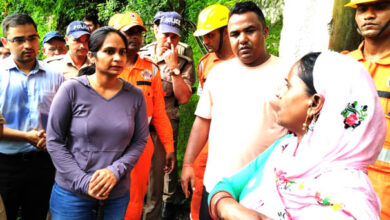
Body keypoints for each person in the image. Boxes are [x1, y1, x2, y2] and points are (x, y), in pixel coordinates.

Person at [208, 51, 386, 220]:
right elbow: (225, 185)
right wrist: (230, 209)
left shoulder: (349, 195)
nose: (279, 93)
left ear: (315, 103)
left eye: (288, 85)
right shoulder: (285, 149)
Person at [180, 2, 287, 219]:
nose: (242, 39)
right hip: (217, 188)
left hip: (264, 190)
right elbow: (202, 122)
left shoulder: (289, 74)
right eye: (235, 34)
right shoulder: (218, 74)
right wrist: (188, 163)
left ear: (265, 31)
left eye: (250, 30)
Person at [46, 26, 149, 219]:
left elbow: (140, 140)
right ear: (92, 56)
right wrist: (84, 182)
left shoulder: (135, 96)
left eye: (122, 52)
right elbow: (54, 141)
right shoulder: (72, 90)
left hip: (116, 196)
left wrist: (115, 171)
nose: (118, 58)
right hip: (72, 196)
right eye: (109, 51)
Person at [108, 11, 175, 220]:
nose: (135, 37)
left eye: (138, 32)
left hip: (140, 146)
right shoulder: (104, 68)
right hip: (107, 146)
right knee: (106, 198)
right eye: (129, 32)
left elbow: (160, 114)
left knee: (135, 200)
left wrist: (169, 147)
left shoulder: (151, 70)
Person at [0, 13, 63, 220]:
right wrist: (27, 137)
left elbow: (61, 118)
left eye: (32, 38)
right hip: (5, 164)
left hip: (43, 163)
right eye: (19, 40)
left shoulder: (55, 76)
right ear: (5, 43)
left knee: (36, 215)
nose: (28, 45)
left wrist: (51, 137)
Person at [140, 11, 195, 220]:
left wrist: (173, 68)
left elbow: (183, 98)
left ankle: (164, 213)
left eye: (175, 36)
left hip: (166, 127)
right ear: (155, 30)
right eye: (165, 35)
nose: (169, 41)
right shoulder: (142, 53)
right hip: (140, 126)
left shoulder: (183, 55)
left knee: (165, 178)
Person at [343, 1, 390, 219]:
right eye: (362, 9)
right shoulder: (341, 65)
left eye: (378, 7)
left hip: (384, 197)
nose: (368, 16)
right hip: (339, 192)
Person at [188, 4, 234, 220]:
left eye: (210, 35)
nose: (205, 42)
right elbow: (202, 108)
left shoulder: (246, 62)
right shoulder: (205, 64)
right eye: (203, 36)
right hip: (207, 136)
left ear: (226, 31)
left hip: (235, 139)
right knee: (198, 189)